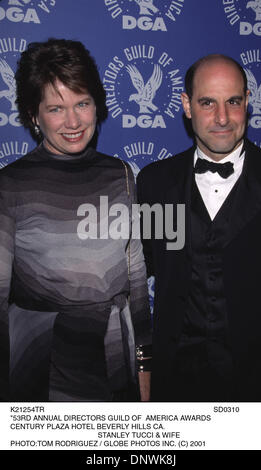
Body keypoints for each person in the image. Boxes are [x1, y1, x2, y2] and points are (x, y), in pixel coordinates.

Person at [0, 38, 151, 402]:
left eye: (82, 103)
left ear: (96, 105)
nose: (73, 121)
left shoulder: (120, 175)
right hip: (43, 363)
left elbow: (135, 277)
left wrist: (145, 361)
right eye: (56, 108)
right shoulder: (10, 185)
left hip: (115, 359)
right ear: (34, 116)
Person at [137, 53, 261, 401]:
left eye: (233, 102)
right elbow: (135, 273)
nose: (222, 117)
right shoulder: (155, 184)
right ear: (187, 106)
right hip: (176, 384)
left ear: (247, 103)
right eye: (208, 102)